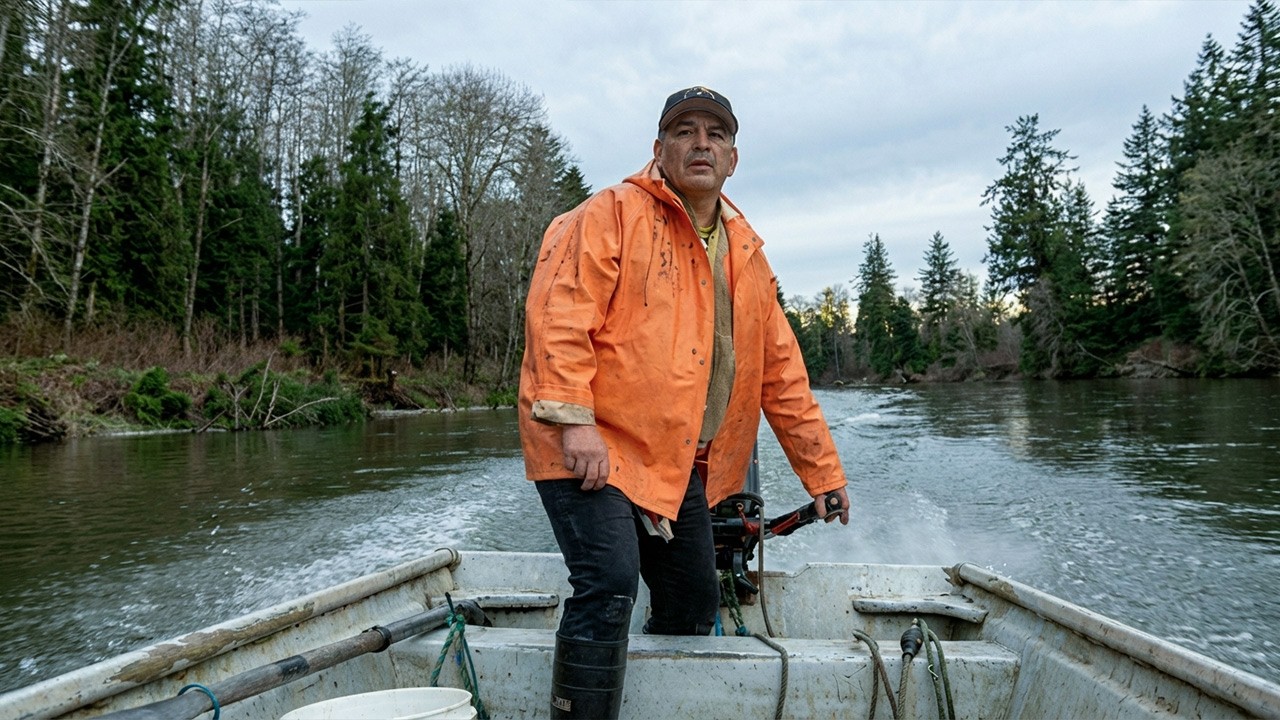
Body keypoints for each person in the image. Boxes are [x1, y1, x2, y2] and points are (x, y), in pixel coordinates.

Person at [518, 86, 850, 719]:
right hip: (590, 446)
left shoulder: (747, 253)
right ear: (659, 149)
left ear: (732, 158)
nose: (702, 143)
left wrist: (823, 474)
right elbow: (560, 318)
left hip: (674, 460)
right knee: (609, 583)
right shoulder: (608, 215)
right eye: (685, 131)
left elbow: (781, 374)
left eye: (716, 134)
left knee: (695, 600)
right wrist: (574, 420)